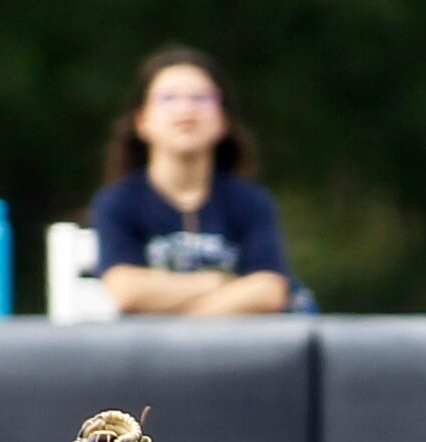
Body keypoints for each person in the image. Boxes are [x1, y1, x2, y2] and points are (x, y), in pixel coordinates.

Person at [91, 47, 295, 316]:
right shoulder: (118, 202)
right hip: (147, 357)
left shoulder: (251, 202)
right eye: (169, 98)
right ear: (142, 120)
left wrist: (175, 312)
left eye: (201, 98)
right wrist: (218, 281)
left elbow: (269, 290)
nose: (186, 110)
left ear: (223, 119)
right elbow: (127, 290)